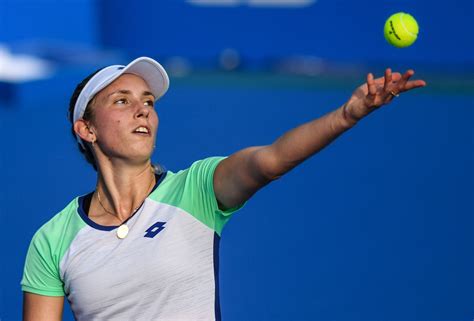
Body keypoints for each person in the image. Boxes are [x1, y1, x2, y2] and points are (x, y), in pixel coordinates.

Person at [21, 57, 426, 321]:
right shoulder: (53, 241)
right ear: (86, 129)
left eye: (148, 100)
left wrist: (346, 115)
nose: (144, 109)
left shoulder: (196, 189)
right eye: (122, 102)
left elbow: (271, 160)